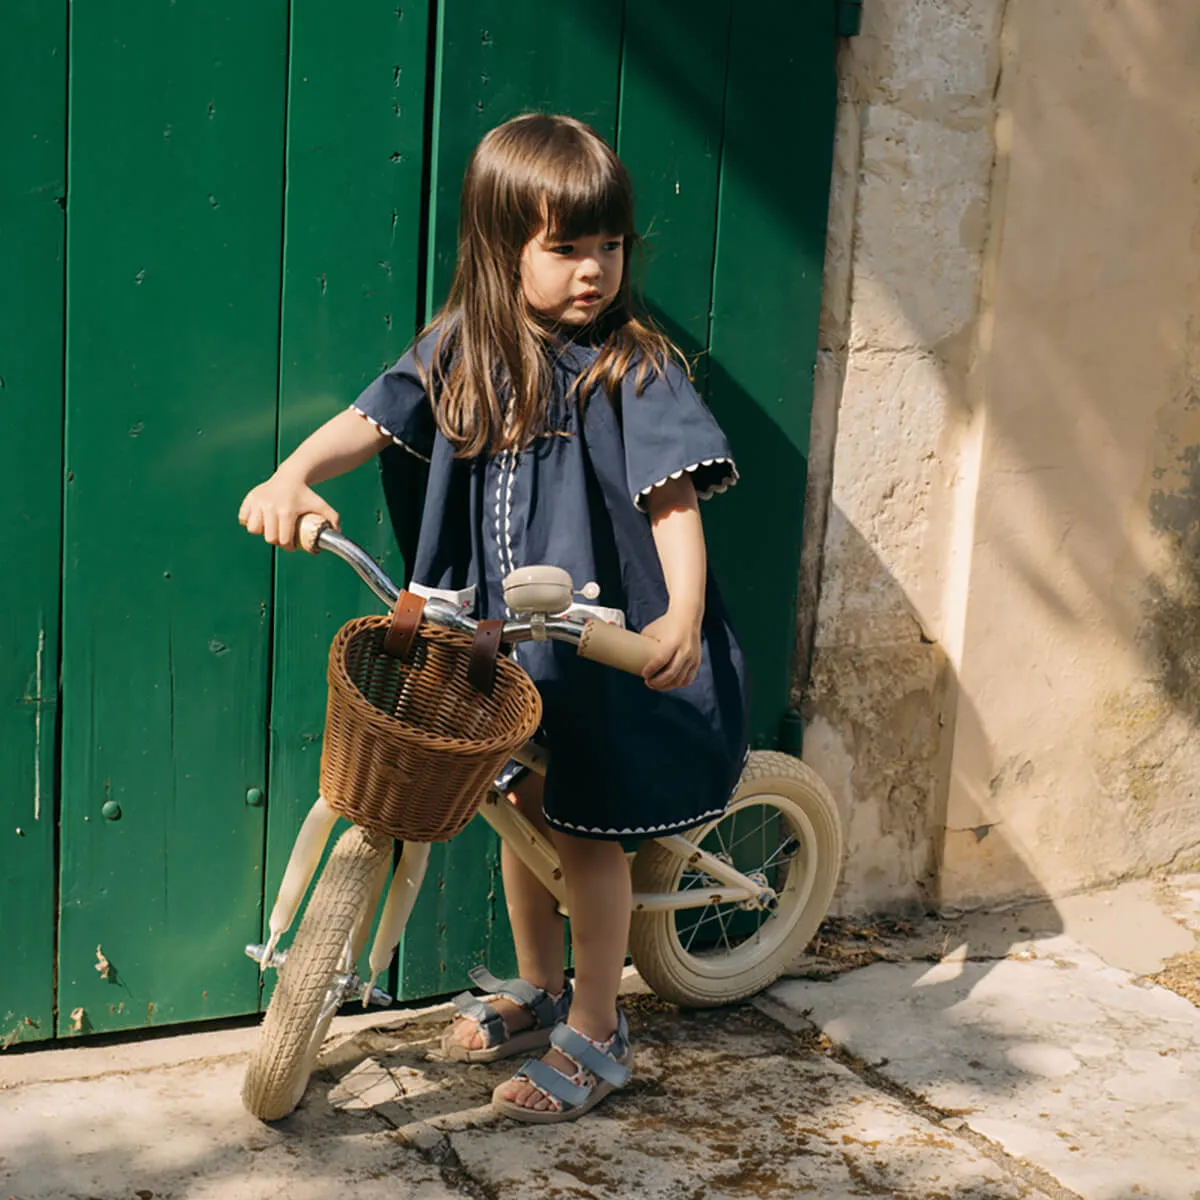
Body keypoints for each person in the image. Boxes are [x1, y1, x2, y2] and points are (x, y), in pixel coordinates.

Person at [239, 113, 747, 1122]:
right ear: (500, 246)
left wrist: (683, 609)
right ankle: (540, 982)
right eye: (566, 249)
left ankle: (599, 1023)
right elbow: (373, 417)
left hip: (601, 645)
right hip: (493, 645)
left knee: (586, 834)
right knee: (515, 810)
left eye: (608, 247)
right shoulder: (466, 348)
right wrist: (294, 471)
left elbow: (673, 500)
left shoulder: (630, 366)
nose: (593, 271)